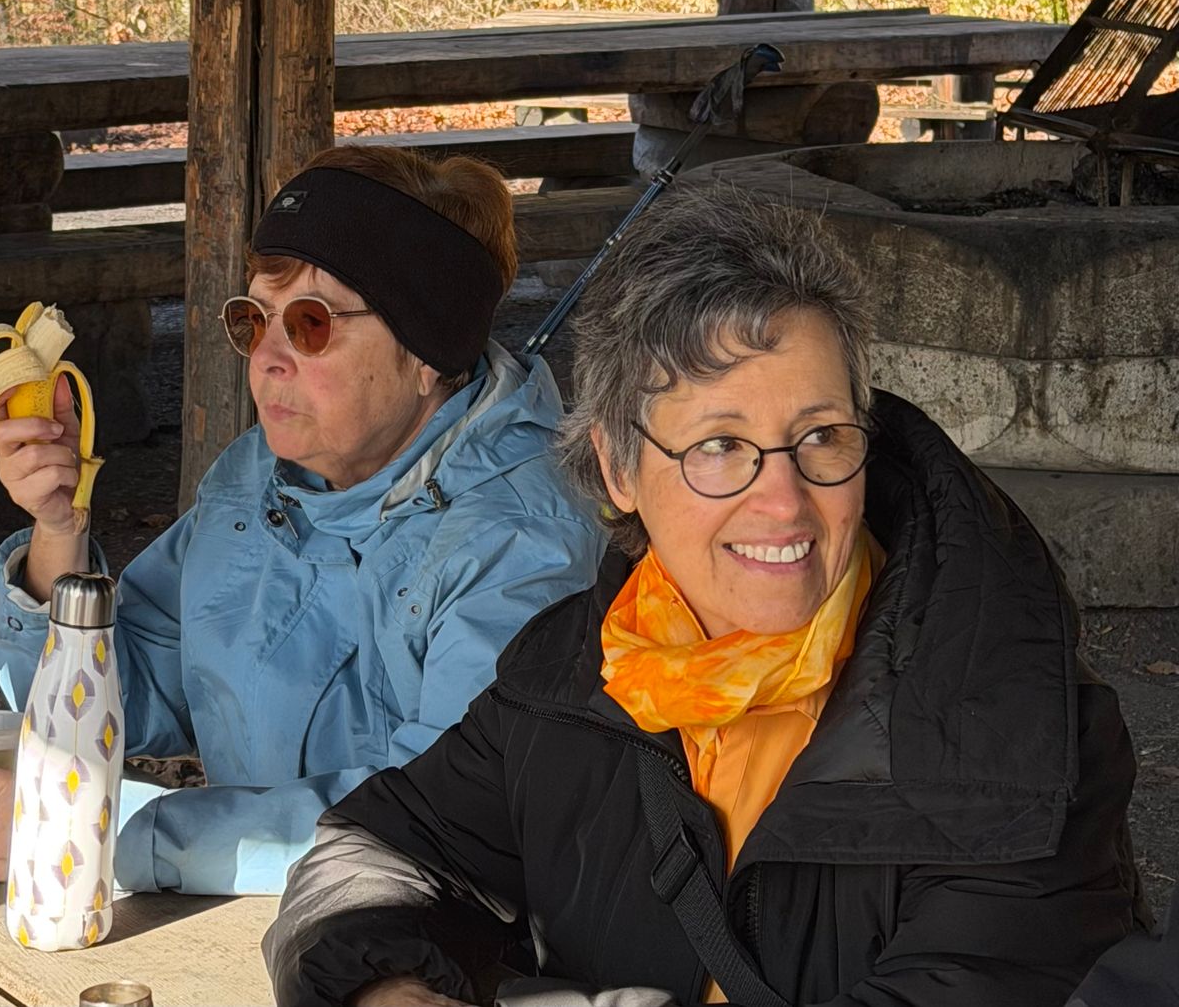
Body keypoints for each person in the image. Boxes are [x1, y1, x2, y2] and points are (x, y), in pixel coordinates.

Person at [265, 185, 1141, 1007]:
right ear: (618, 468)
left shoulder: (1006, 726)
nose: (784, 501)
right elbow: (364, 855)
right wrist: (386, 990)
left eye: (821, 437)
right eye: (719, 446)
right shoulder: (572, 678)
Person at [0, 144, 606, 894]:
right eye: (255, 320)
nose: (268, 359)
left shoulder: (522, 540)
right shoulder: (257, 476)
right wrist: (59, 531)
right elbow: (128, 699)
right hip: (246, 907)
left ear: (427, 351)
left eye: (312, 324)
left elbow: (444, 812)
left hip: (436, 930)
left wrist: (108, 829)